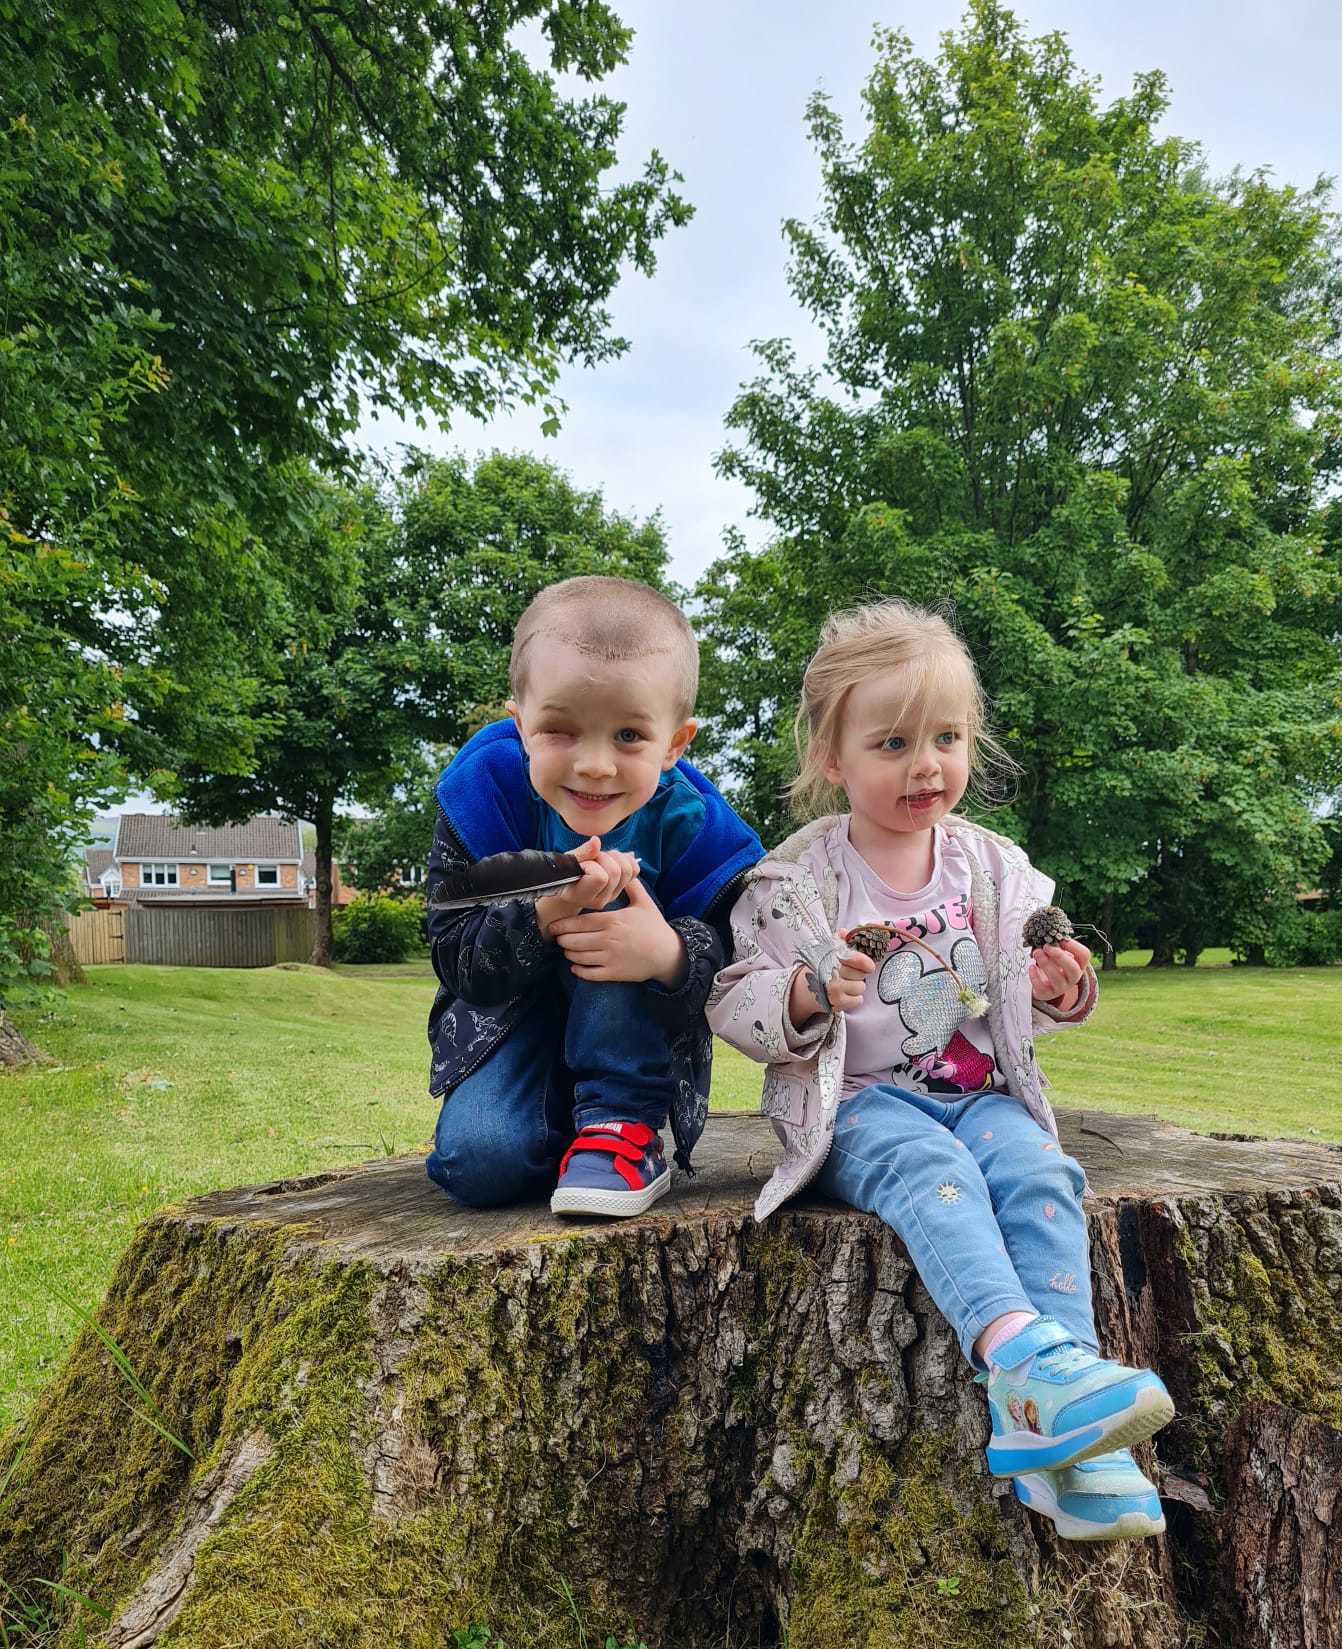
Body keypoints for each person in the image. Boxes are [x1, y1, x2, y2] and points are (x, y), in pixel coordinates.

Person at [707, 601, 1174, 1541]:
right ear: (832, 758)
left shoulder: (994, 869)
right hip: (862, 1105)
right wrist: (804, 994)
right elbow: (732, 1000)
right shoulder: (798, 879)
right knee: (938, 1177)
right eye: (893, 743)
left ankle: (1072, 1434)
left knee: (1042, 1171)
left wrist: (1056, 988)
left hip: (976, 1092)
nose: (927, 765)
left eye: (947, 738)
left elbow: (1015, 1000)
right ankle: (1016, 1359)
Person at [425, 575, 764, 1218]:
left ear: (675, 743)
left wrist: (667, 954)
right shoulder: (479, 799)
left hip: (630, 1036)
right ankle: (552, 1122)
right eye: (561, 731)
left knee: (613, 884)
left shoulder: (697, 828)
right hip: (506, 1024)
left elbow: (741, 965)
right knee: (479, 1163)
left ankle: (617, 1122)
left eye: (629, 736)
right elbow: (452, 955)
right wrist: (543, 912)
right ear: (520, 725)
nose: (595, 765)